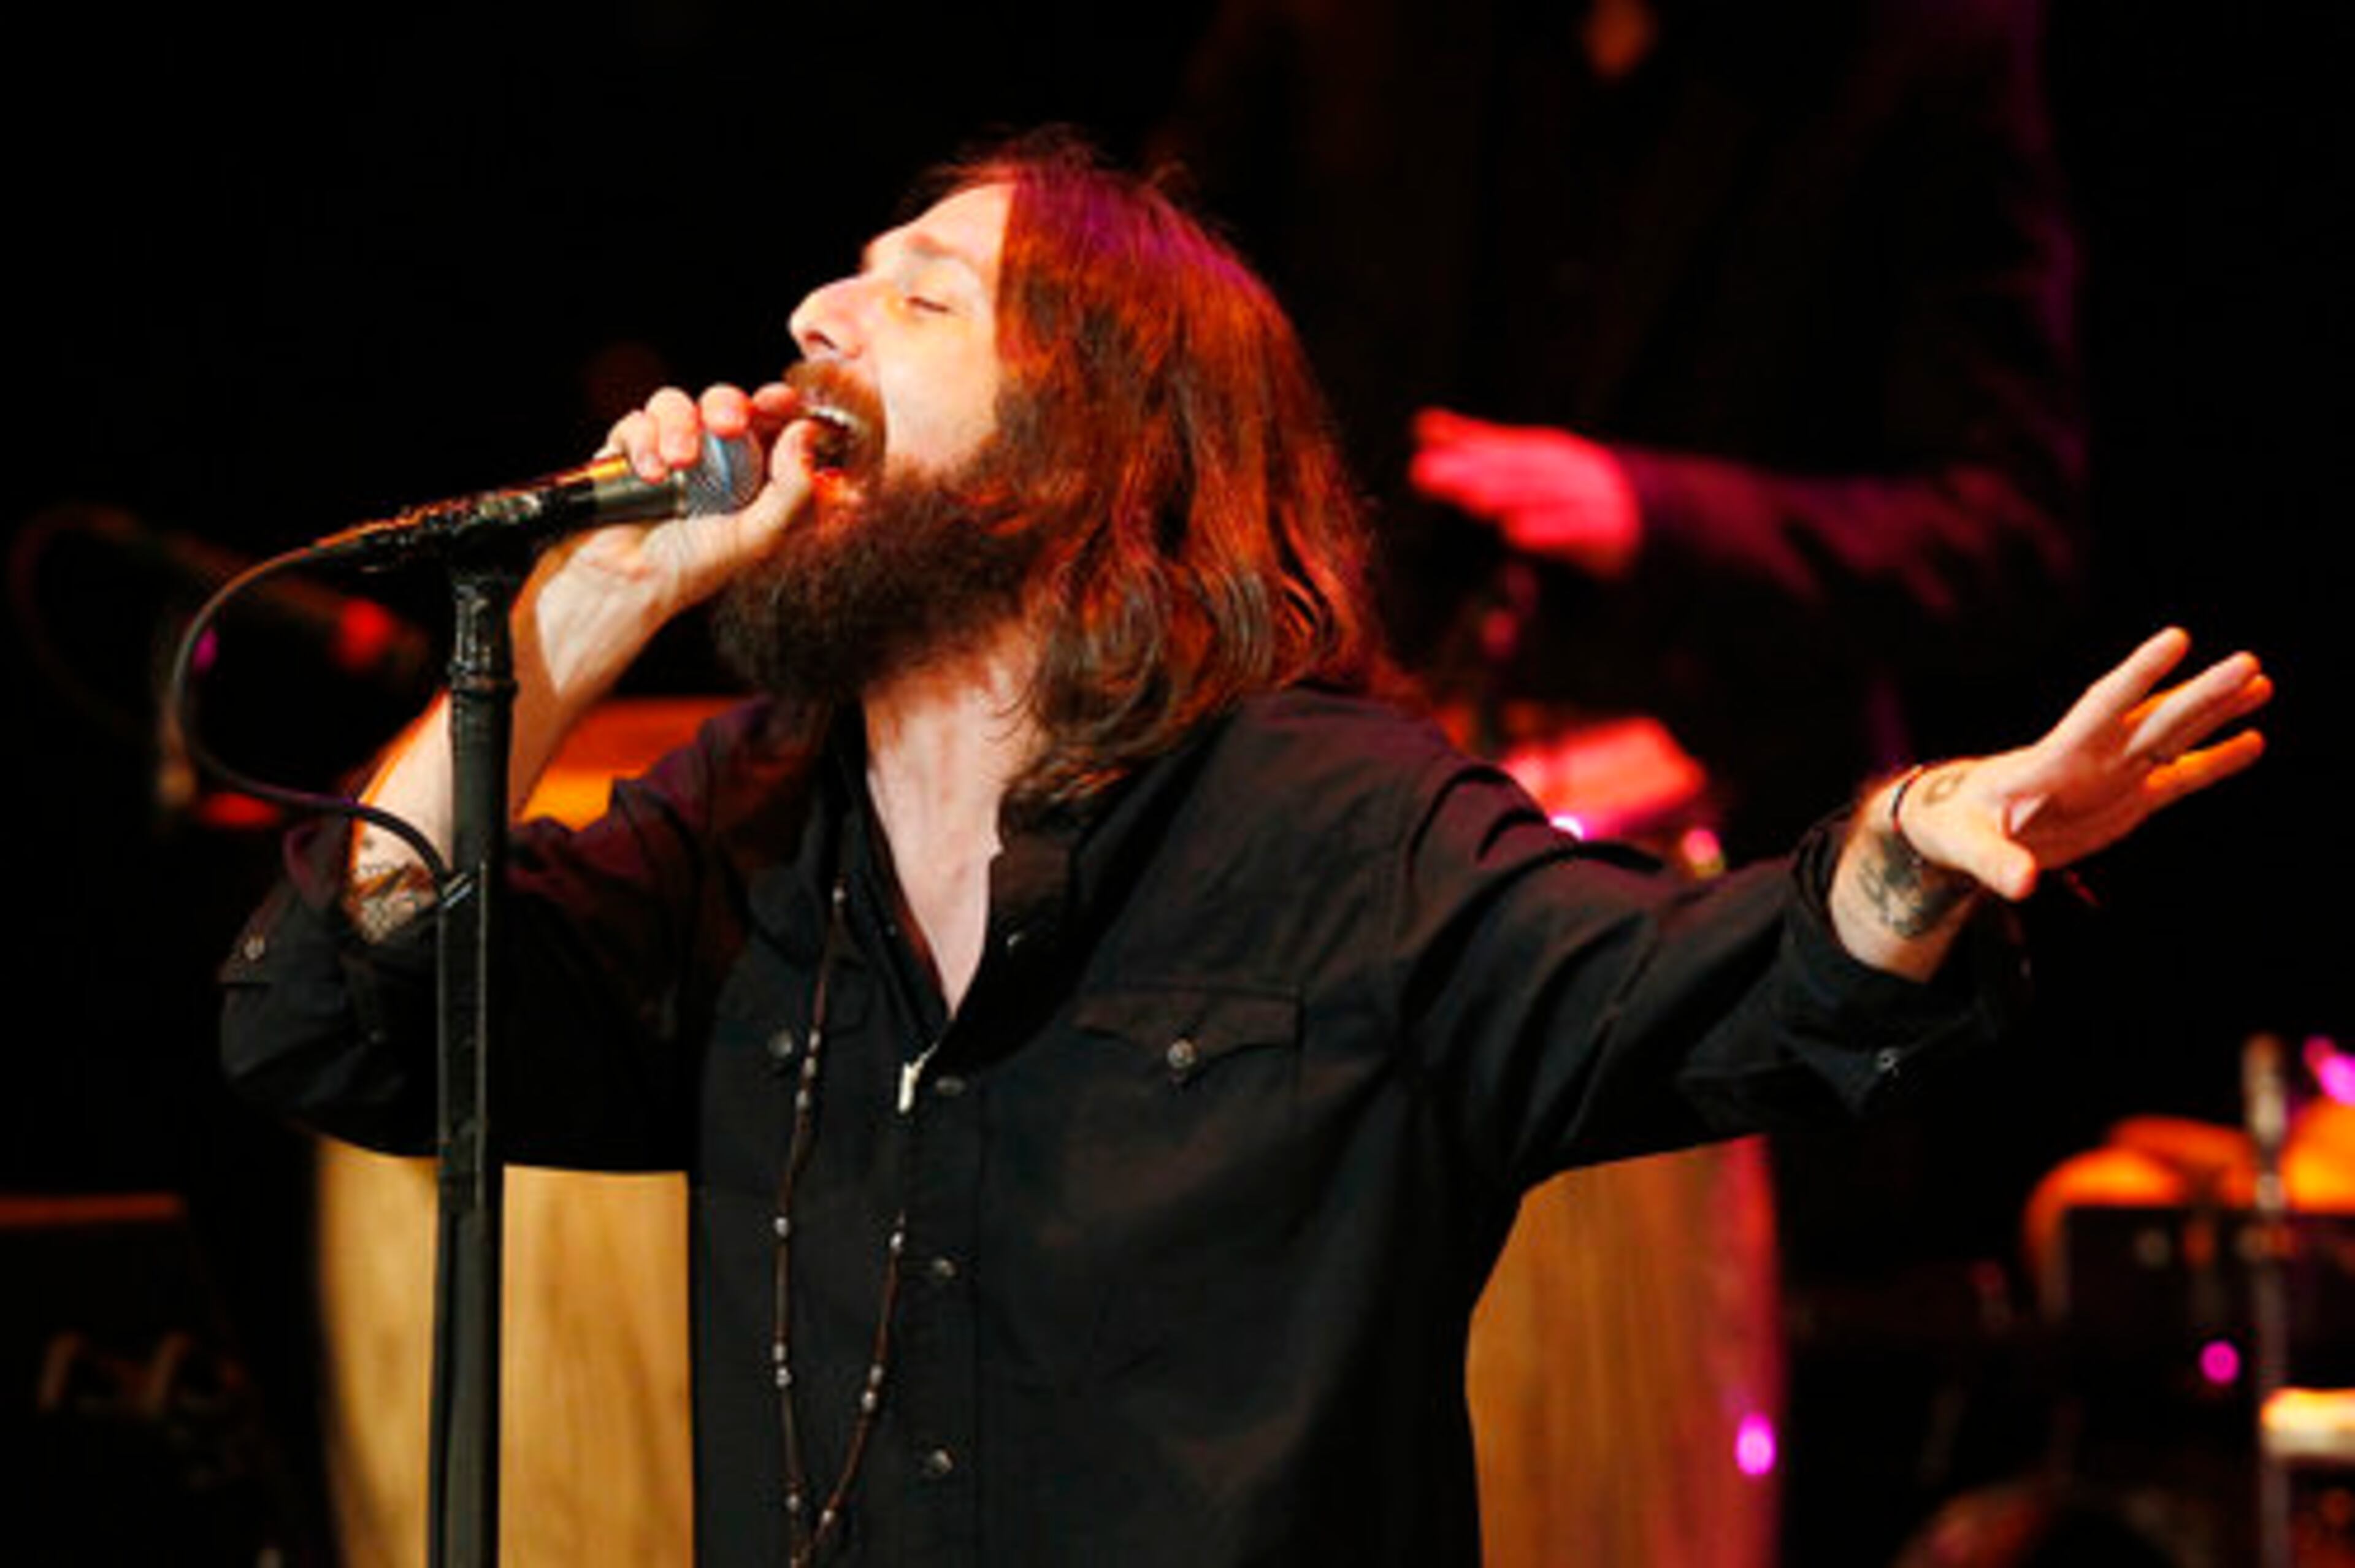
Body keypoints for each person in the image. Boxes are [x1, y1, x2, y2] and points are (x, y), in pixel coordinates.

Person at [218, 136, 2267, 1568]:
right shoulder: (744, 830)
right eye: (845, 274)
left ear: (1090, 444)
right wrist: (576, 619)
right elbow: (337, 1015)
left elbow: (1700, 992)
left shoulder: (1326, 823)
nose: (820, 312)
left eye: (920, 291)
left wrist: (1914, 847)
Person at [1151, 0, 2086, 859]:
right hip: (1334, 809)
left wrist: (1657, 512)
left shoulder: (1931, 40)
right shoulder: (1327, 28)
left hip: (1742, 850)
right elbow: (1144, 384)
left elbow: (2006, 526)